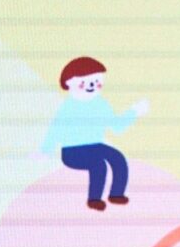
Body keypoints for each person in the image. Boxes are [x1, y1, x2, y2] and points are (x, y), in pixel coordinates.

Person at [43, 57, 146, 211]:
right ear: (69, 83)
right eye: (84, 83)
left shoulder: (101, 104)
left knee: (117, 157)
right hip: (72, 151)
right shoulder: (68, 107)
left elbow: (116, 126)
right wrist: (45, 150)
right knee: (98, 164)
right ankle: (94, 198)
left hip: (96, 146)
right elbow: (55, 130)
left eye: (97, 82)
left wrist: (134, 112)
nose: (91, 86)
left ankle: (116, 194)